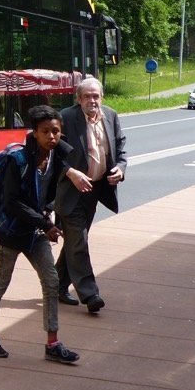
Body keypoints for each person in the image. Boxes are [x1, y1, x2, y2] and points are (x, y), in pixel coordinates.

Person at [0, 104, 80, 365]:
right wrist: (46, 225)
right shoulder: (18, 160)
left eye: (56, 131)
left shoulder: (56, 158)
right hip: (12, 231)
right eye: (46, 132)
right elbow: (12, 202)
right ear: (35, 133)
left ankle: (52, 343)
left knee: (51, 280)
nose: (52, 137)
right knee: (1, 282)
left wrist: (48, 222)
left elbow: (46, 197)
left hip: (35, 231)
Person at [54, 76, 127, 314]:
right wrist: (71, 172)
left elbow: (120, 149)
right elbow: (52, 154)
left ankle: (55, 284)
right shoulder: (66, 118)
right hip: (69, 191)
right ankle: (89, 293)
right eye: (87, 96)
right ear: (78, 99)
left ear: (101, 97)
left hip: (94, 191)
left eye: (96, 96)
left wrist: (120, 169)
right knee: (79, 240)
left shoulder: (111, 116)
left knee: (75, 241)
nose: (92, 101)